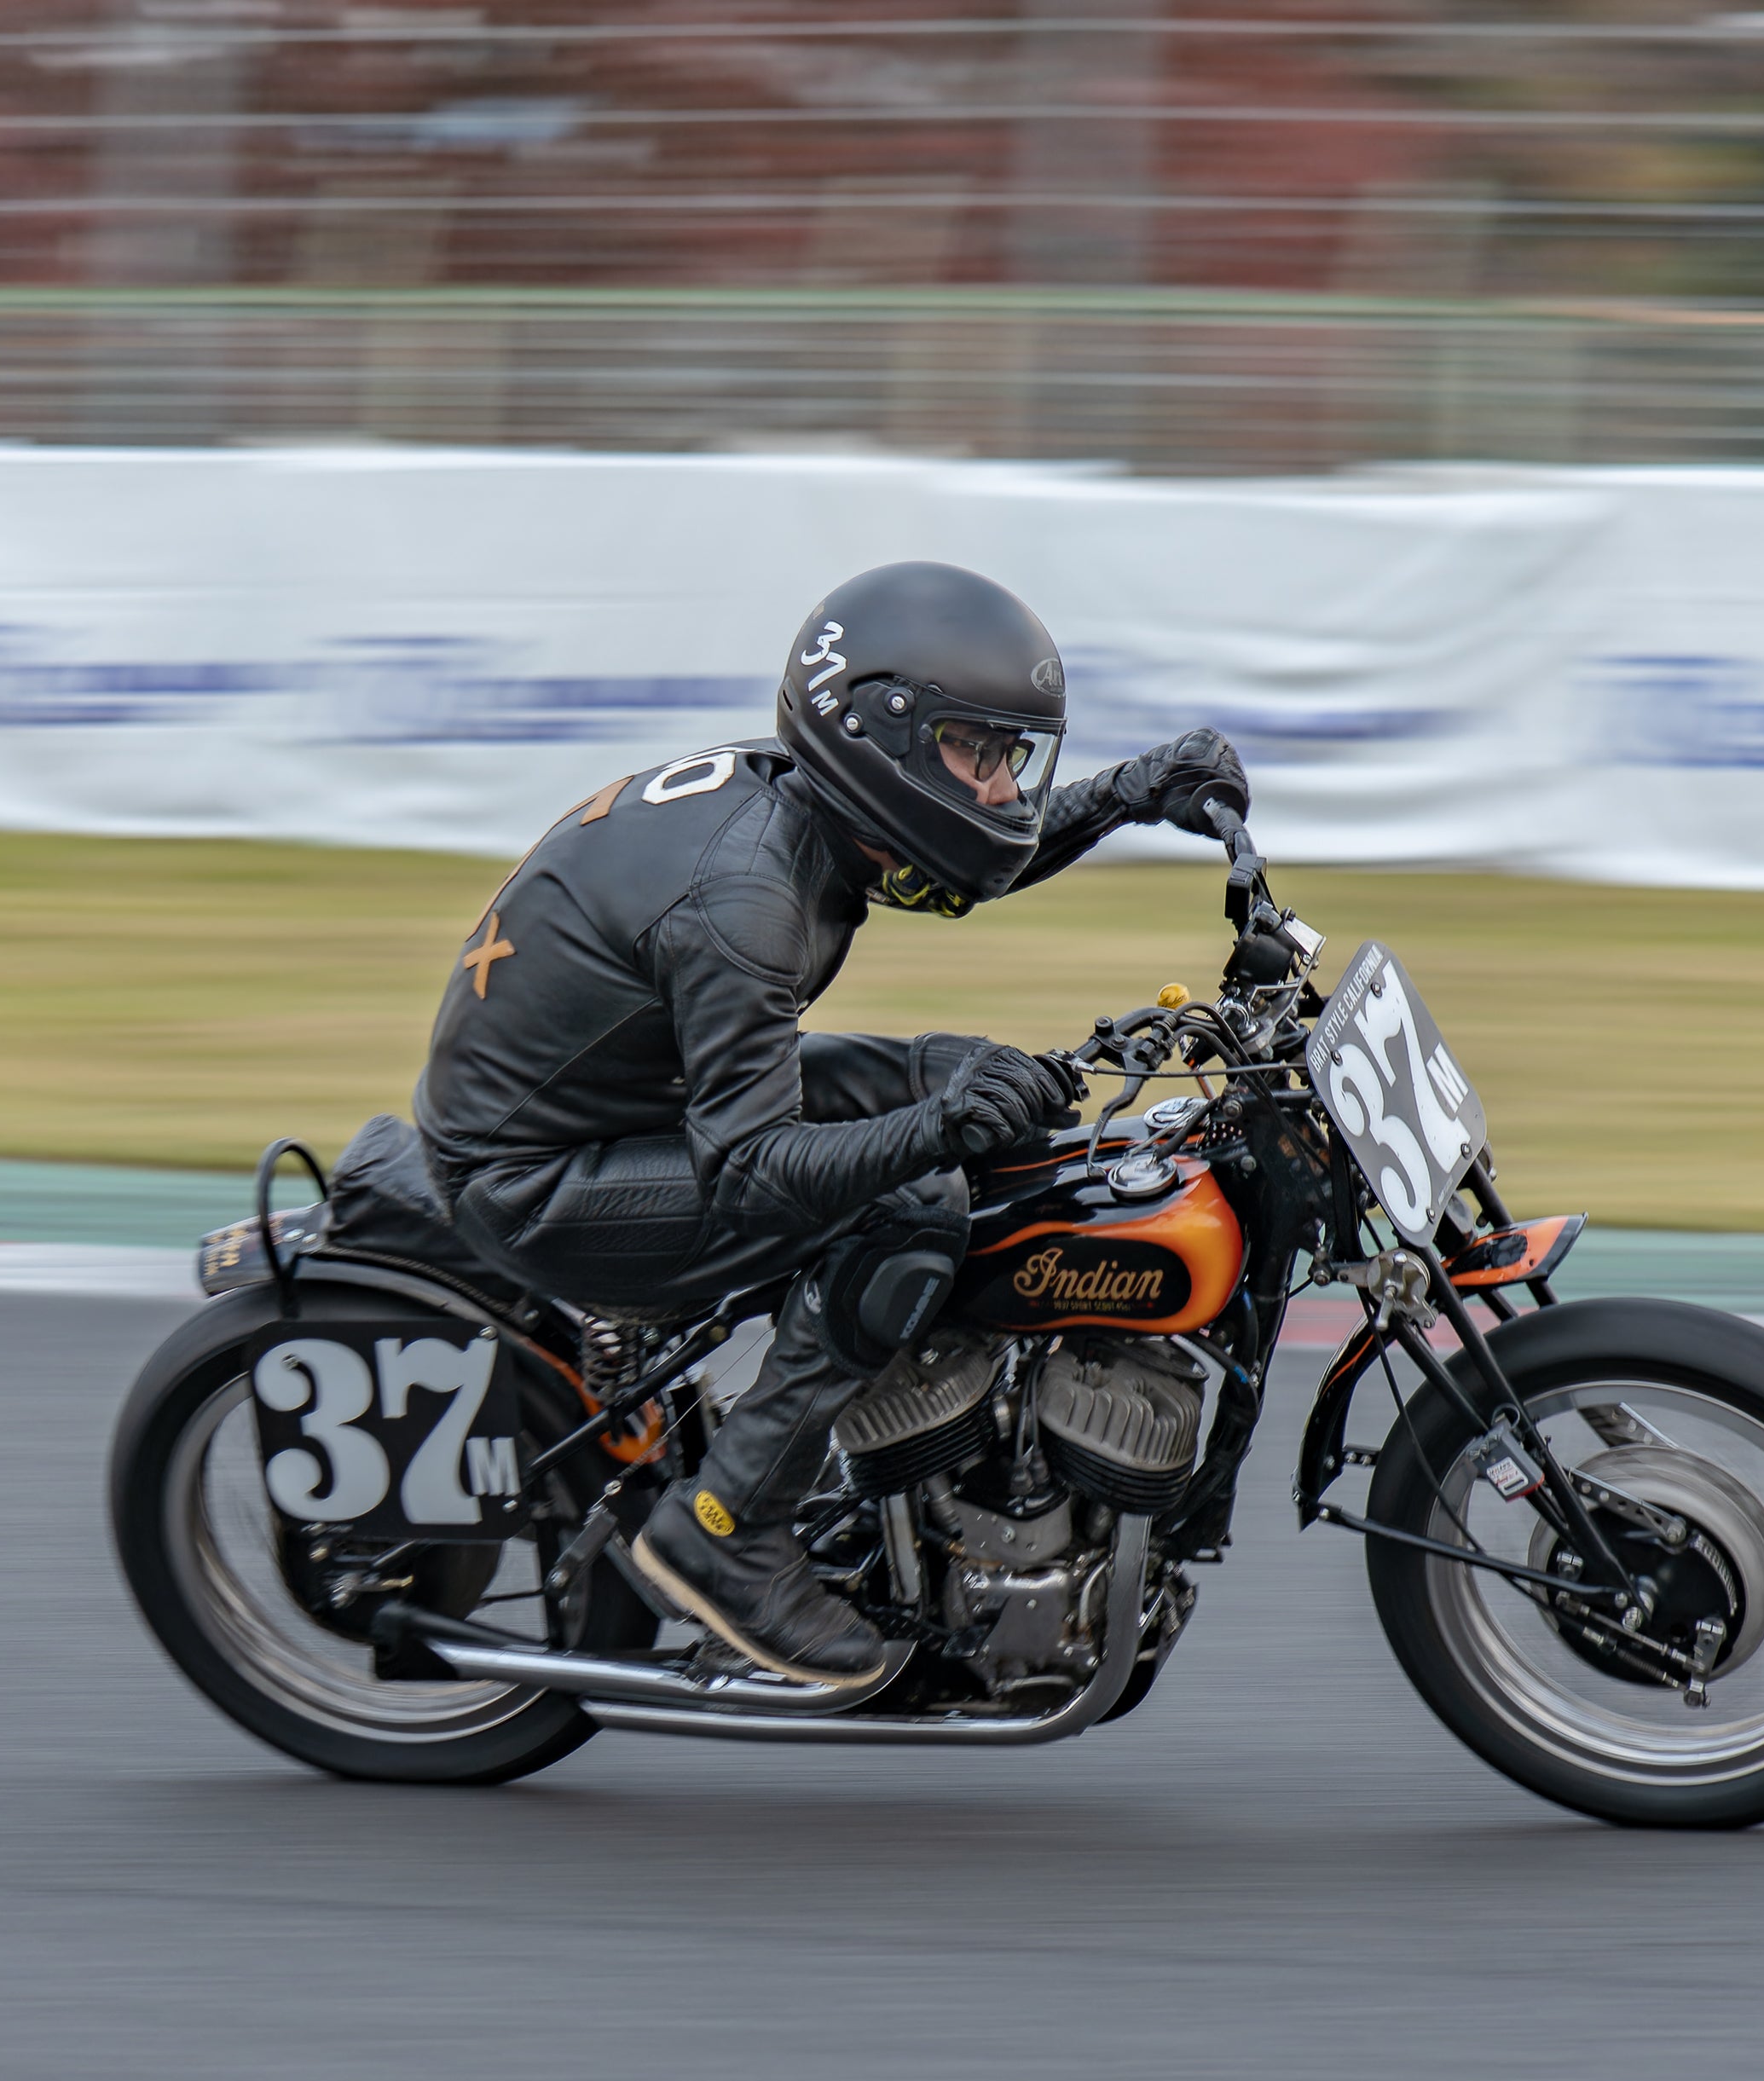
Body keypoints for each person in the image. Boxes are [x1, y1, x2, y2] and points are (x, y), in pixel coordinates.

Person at [413, 562, 1246, 1685]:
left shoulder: (814, 805)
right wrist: (939, 1132)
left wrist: (1131, 792)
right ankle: (724, 1529)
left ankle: (932, 1421)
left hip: (638, 1097)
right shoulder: (745, 901)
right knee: (909, 1199)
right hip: (539, 1174)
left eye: (1011, 759)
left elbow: (966, 858)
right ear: (884, 740)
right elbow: (756, 1170)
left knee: (974, 1080)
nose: (1000, 790)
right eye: (975, 753)